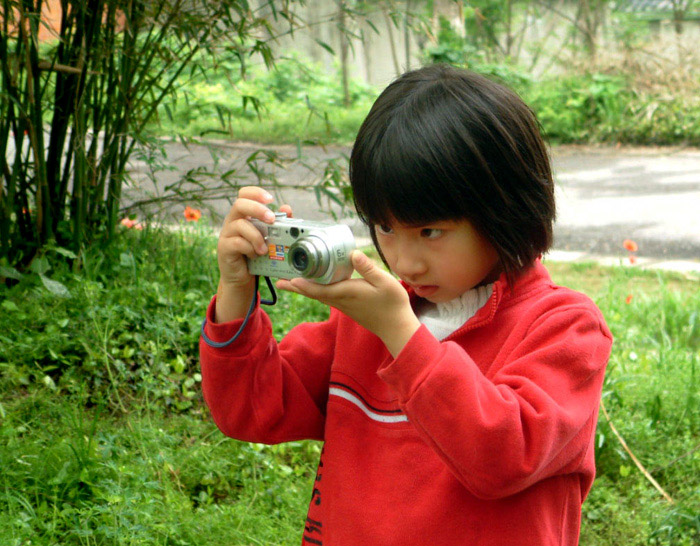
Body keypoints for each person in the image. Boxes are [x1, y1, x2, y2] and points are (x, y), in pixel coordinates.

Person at [199, 64, 613, 546]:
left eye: (430, 231)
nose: (404, 260)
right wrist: (236, 291)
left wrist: (401, 334)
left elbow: (500, 457)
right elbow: (251, 409)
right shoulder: (364, 325)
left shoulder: (565, 329)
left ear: (505, 210)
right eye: (386, 227)